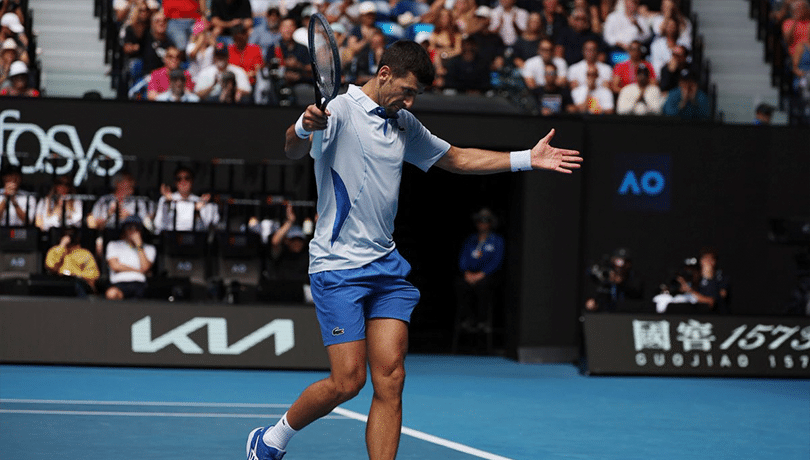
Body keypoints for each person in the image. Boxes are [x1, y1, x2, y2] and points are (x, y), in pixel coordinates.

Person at [246, 39, 582, 460]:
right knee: (348, 381)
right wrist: (302, 126)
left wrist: (526, 159)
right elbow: (292, 148)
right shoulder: (339, 110)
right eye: (406, 90)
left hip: (386, 268)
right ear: (384, 74)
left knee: (391, 378)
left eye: (415, 95)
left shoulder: (404, 122)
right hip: (337, 267)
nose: (409, 101)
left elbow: (456, 158)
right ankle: (272, 439)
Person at [454, 208, 505, 335]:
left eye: (485, 221)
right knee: (460, 285)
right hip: (470, 274)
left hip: (487, 275)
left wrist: (481, 274)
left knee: (483, 287)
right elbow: (463, 258)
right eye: (479, 221)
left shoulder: (496, 241)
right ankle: (467, 319)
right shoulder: (471, 240)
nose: (482, 224)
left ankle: (483, 320)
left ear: (491, 223)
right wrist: (467, 273)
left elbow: (496, 261)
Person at [153, 165, 219, 233]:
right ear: (175, 182)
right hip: (171, 237)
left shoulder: (199, 200)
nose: (183, 182)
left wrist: (201, 207)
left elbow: (208, 224)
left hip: (194, 238)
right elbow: (158, 224)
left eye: (187, 178)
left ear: (192, 181)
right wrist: (194, 208)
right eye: (179, 179)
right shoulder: (166, 199)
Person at [105, 215, 156, 299]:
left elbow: (145, 267)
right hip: (119, 282)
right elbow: (115, 266)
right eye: (129, 228)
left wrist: (139, 246)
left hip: (139, 283)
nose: (133, 231)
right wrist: (137, 270)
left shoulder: (149, 248)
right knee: (111, 293)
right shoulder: (113, 245)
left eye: (136, 228)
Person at [87, 170, 154, 232]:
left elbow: (148, 225)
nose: (133, 182)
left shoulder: (138, 201)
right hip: (108, 235)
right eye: (129, 180)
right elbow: (94, 224)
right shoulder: (104, 200)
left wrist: (129, 218)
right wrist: (109, 214)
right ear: (118, 183)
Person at [44, 227, 100, 297]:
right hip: (60, 282)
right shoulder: (54, 251)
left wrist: (76, 275)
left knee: (76, 286)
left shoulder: (85, 253)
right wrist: (62, 246)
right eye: (66, 234)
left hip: (79, 284)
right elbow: (50, 266)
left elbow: (94, 275)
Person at [585, 247, 643, 312]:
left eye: (624, 261)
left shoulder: (634, 278)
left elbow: (637, 296)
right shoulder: (606, 275)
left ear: (629, 264)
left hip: (627, 315)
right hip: (606, 315)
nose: (620, 265)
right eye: (618, 261)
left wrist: (621, 283)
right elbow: (599, 294)